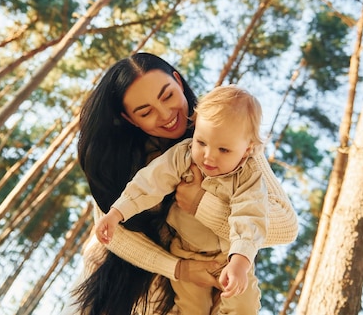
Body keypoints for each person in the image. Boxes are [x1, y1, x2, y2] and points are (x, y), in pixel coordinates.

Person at [71, 53, 298, 315]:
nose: (166, 114)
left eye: (167, 96)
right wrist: (179, 268)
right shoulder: (121, 162)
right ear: (131, 119)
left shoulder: (229, 131)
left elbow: (286, 227)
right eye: (146, 112)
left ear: (178, 82)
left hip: (220, 269)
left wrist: (201, 203)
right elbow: (116, 237)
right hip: (123, 289)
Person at [95, 85, 268, 315]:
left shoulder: (248, 176)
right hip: (185, 251)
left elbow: (251, 216)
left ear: (247, 150)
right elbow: (150, 182)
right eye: (202, 142)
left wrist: (240, 261)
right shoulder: (183, 156)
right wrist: (117, 212)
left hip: (231, 257)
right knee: (192, 309)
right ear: (195, 129)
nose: (208, 156)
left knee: (244, 306)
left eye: (224, 150)